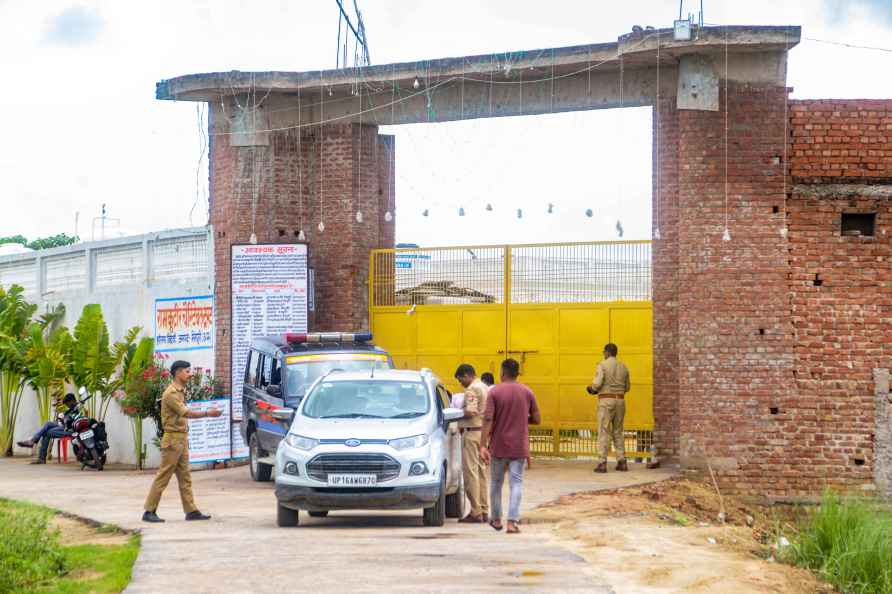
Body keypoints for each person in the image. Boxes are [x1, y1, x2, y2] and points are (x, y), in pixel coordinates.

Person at [142, 360, 222, 523]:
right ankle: (149, 511)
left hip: (180, 438)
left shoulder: (179, 391)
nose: (190, 374)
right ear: (178, 373)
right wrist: (208, 413)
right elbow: (185, 413)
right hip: (173, 439)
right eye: (187, 371)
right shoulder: (171, 393)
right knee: (163, 476)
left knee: (185, 477)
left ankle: (191, 510)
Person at [480, 359, 540, 534]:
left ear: (502, 372)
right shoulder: (527, 392)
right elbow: (537, 419)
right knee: (516, 483)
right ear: (517, 373)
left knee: (496, 483)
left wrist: (482, 445)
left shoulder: (495, 392)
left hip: (498, 446)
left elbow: (488, 419)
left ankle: (496, 519)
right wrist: (522, 419)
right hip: (518, 447)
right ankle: (512, 523)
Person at [453, 363, 490, 524]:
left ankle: (475, 512)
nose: (461, 383)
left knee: (471, 474)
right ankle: (483, 509)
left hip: (472, 432)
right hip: (482, 433)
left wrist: (457, 413)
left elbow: (471, 410)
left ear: (467, 375)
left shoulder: (472, 389)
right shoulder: (485, 387)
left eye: (461, 379)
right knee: (481, 473)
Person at [588, 343, 631, 473]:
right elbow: (627, 387)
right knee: (618, 431)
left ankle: (602, 462)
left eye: (604, 352)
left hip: (606, 401)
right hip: (620, 401)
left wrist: (591, 389)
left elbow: (597, 384)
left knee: (604, 431)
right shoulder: (624, 367)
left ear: (606, 352)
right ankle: (622, 461)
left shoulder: (602, 365)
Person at [17, 393, 80, 464]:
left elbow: (73, 421)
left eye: (67, 404)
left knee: (47, 433)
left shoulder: (78, 407)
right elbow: (66, 419)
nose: (67, 406)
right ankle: (34, 441)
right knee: (48, 424)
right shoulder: (71, 409)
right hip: (64, 426)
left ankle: (39, 454)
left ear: (72, 401)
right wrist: (61, 418)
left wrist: (64, 419)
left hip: (70, 430)